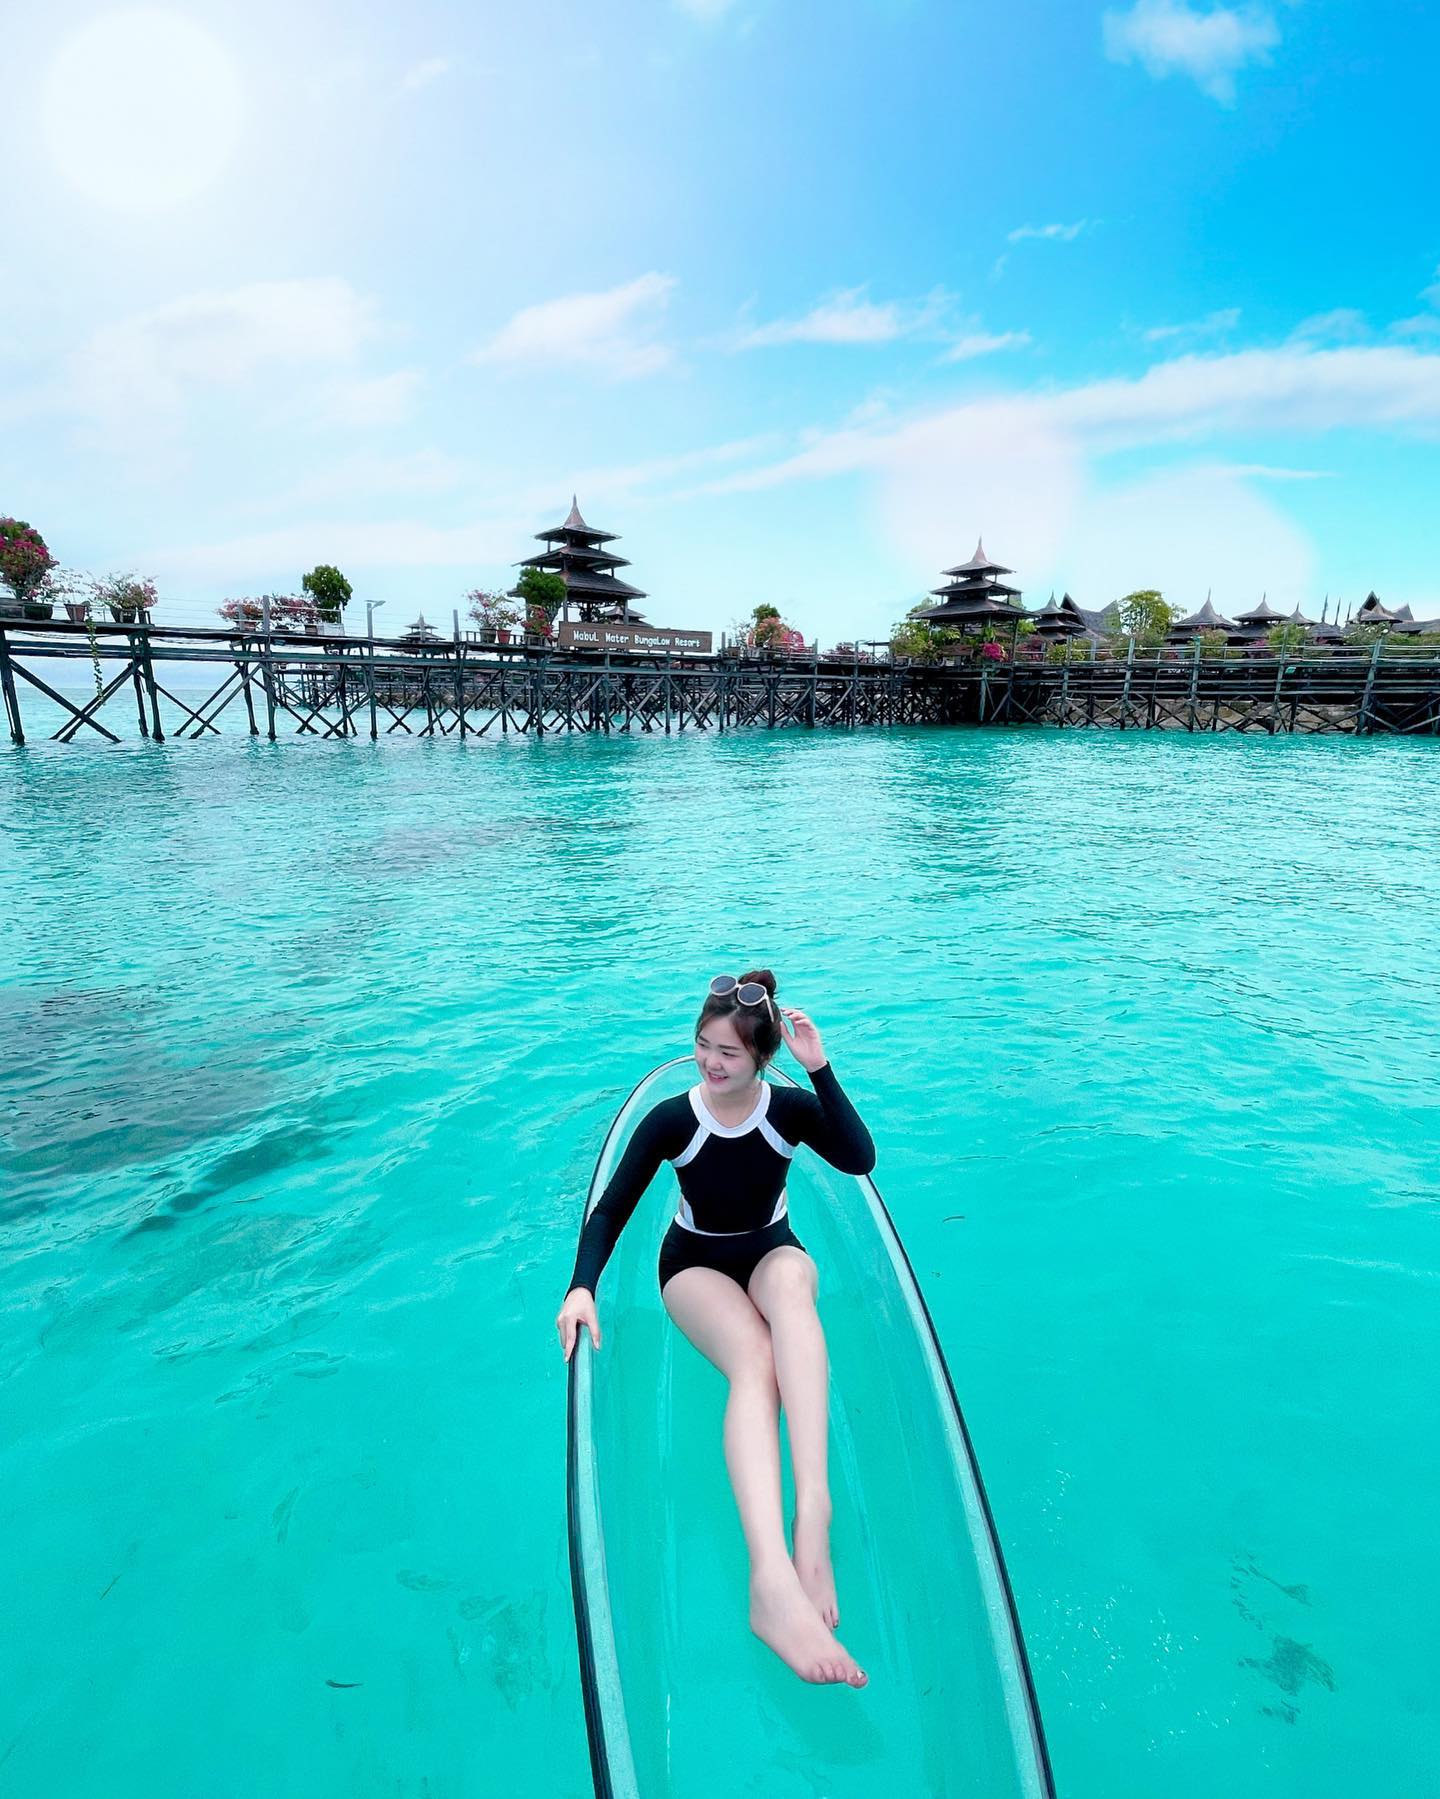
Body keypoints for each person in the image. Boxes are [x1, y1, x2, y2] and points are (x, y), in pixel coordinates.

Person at [556, 969, 874, 1690]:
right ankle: (770, 1579)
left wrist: (819, 1068)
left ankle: (813, 1511)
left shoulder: (788, 1109)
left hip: (769, 1249)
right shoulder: (675, 1119)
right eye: (704, 1044)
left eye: (728, 1051)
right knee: (755, 1363)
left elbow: (859, 1158)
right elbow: (611, 1209)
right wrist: (582, 1286)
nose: (710, 1061)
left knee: (792, 1287)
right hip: (693, 1264)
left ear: (762, 1057)